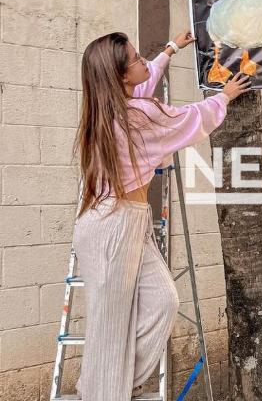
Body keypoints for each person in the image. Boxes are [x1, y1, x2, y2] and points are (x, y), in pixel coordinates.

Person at [71, 30, 250, 401]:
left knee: (163, 301)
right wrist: (224, 97)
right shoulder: (137, 116)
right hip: (114, 225)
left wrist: (170, 48)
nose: (142, 62)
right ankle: (105, 392)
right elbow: (185, 120)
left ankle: (114, 385)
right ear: (119, 77)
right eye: (135, 59)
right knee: (109, 324)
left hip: (126, 220)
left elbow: (145, 77)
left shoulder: (108, 109)